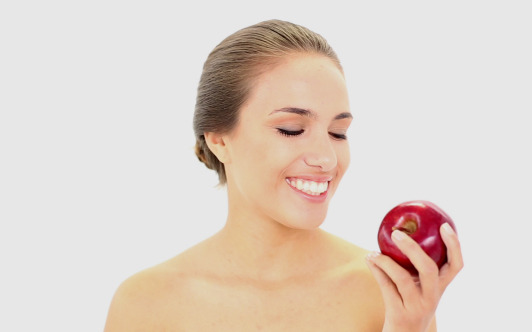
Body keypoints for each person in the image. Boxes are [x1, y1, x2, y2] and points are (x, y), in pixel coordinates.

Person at [103, 19, 463, 331]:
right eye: (291, 129)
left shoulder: (387, 295)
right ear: (218, 140)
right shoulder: (145, 304)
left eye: (338, 133)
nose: (326, 158)